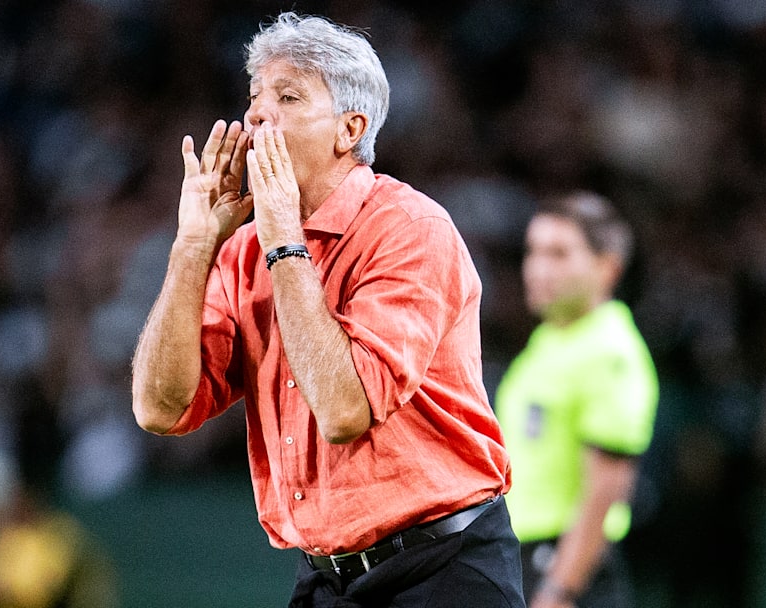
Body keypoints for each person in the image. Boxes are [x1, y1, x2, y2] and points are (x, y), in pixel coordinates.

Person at [130, 11, 524, 608]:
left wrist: (284, 242)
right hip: (326, 578)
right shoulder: (241, 250)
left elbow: (344, 410)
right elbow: (159, 408)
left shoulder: (409, 229)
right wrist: (193, 247)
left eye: (288, 97)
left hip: (442, 570)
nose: (258, 113)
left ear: (350, 129)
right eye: (255, 97)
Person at [494, 192, 659, 607]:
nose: (537, 268)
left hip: (566, 571)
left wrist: (559, 591)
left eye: (559, 253)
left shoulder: (611, 352)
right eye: (533, 251)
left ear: (608, 267)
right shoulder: (550, 340)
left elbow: (606, 489)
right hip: (521, 558)